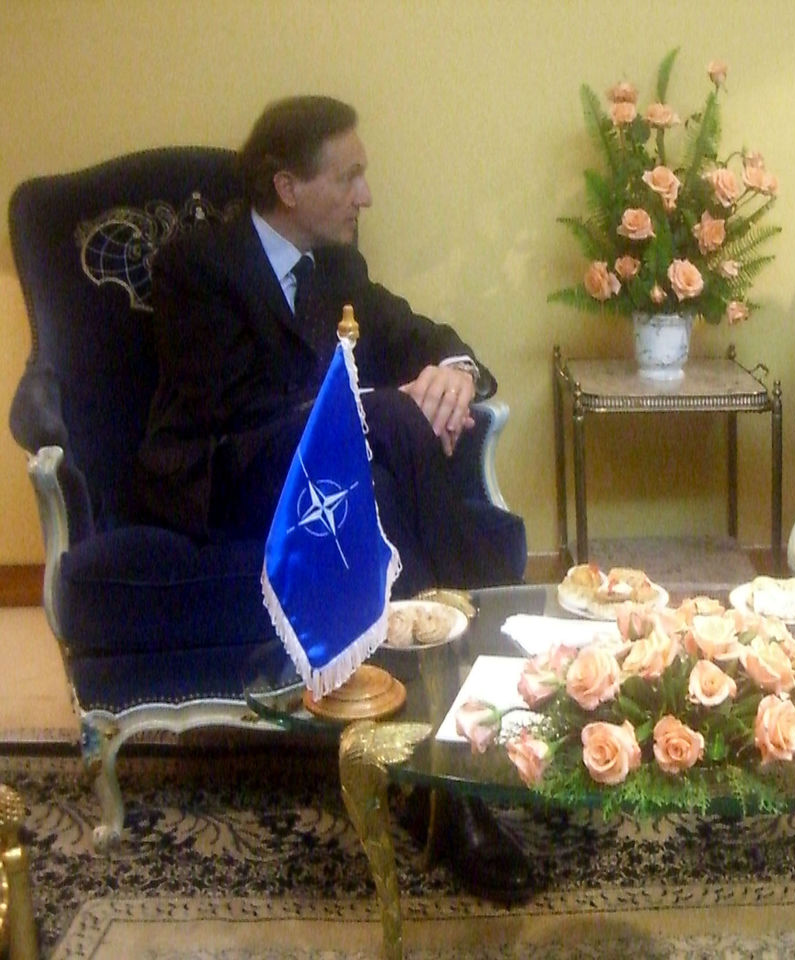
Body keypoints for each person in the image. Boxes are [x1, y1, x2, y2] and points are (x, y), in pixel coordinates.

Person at [136, 95, 534, 903]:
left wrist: (453, 370)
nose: (366, 196)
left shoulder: (336, 268)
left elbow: (417, 330)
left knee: (385, 464)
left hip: (331, 479)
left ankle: (435, 771)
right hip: (224, 474)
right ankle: (479, 666)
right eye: (349, 177)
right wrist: (376, 409)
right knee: (386, 417)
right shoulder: (198, 266)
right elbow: (230, 412)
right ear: (288, 185)